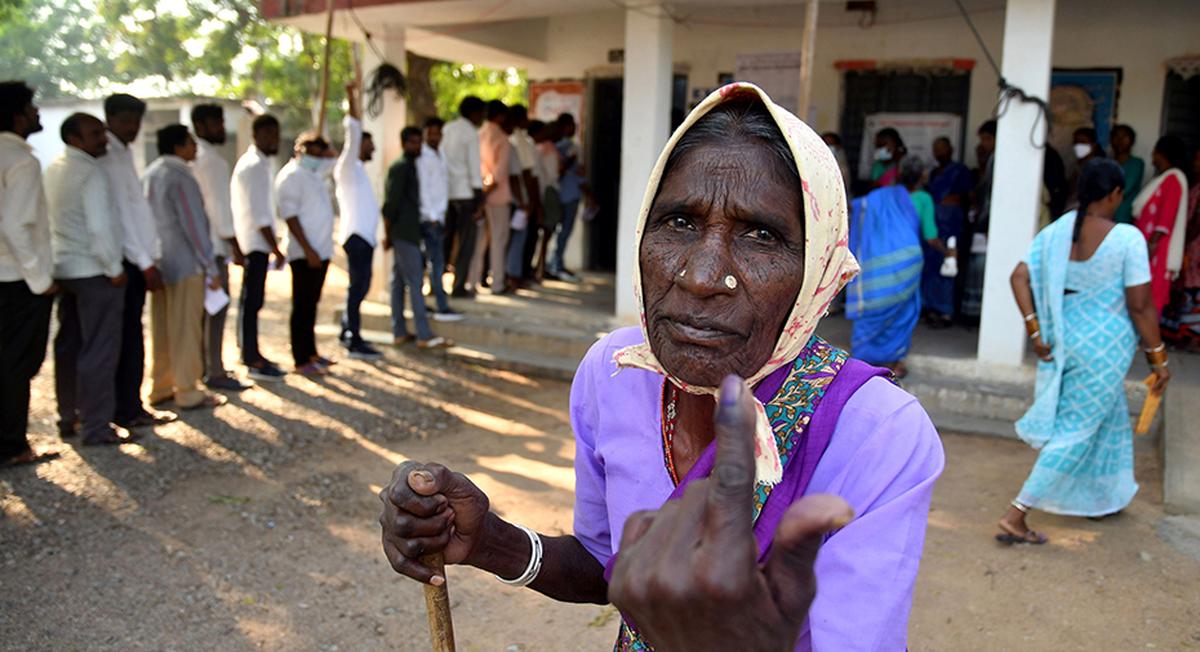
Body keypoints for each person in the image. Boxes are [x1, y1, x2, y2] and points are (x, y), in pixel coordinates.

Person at [378, 84, 943, 651]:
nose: (701, 275)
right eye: (679, 222)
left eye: (761, 235)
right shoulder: (615, 373)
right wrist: (491, 542)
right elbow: (609, 568)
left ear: (818, 267)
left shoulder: (877, 435)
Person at [998, 159, 1170, 544]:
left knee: (1107, 420)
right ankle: (1017, 513)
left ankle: (1102, 498)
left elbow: (1018, 276)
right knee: (1075, 431)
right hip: (1104, 348)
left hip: (1066, 337)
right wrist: (1158, 358)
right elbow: (1141, 306)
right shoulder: (1127, 238)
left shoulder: (1057, 232)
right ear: (1115, 195)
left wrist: (1034, 329)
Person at [45, 113, 130, 445]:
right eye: (95, 134)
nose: (104, 139)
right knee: (99, 349)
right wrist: (114, 269)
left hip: (63, 269)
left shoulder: (53, 169)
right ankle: (96, 426)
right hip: (94, 272)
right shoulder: (91, 172)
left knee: (69, 345)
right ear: (74, 139)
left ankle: (69, 416)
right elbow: (99, 228)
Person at [102, 93, 176, 430]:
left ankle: (127, 406)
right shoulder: (108, 157)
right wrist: (146, 262)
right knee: (127, 338)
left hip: (135, 258)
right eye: (127, 120)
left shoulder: (123, 154)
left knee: (130, 334)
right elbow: (123, 219)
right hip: (128, 260)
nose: (133, 127)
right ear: (111, 118)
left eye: (137, 121)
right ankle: (127, 409)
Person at [143, 124, 226, 410]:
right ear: (178, 146)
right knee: (187, 329)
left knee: (164, 327)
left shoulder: (152, 173)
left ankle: (162, 386)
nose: (195, 148)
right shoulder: (181, 177)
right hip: (186, 262)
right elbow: (194, 226)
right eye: (191, 143)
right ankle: (188, 390)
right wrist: (210, 265)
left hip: (159, 261)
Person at [0, 82, 58, 466]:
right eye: (32, 108)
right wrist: (40, 280)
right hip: (16, 279)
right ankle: (12, 445)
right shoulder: (20, 159)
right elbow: (17, 226)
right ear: (18, 115)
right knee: (17, 364)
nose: (38, 113)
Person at [190, 103, 252, 392]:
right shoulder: (211, 160)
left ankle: (207, 367)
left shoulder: (196, 158)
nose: (221, 129)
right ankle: (213, 370)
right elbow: (218, 210)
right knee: (216, 310)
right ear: (201, 126)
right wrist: (234, 244)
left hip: (201, 247)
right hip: (213, 248)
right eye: (217, 123)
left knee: (206, 312)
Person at [846, 157, 925, 378]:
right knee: (902, 313)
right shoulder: (922, 199)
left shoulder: (876, 199)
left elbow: (854, 209)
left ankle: (860, 362)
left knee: (872, 311)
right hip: (909, 264)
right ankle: (894, 363)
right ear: (922, 177)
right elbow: (930, 234)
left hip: (877, 268)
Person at [276, 132, 337, 377]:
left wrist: (325, 147)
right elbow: (290, 216)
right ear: (300, 150)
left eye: (319, 153)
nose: (318, 157)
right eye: (312, 152)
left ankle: (311, 351)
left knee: (312, 304)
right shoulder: (290, 176)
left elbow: (333, 158)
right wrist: (308, 249)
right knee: (301, 305)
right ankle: (301, 359)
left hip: (321, 250)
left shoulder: (314, 174)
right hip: (304, 253)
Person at [383, 126, 448, 350]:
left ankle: (399, 331)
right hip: (403, 232)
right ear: (404, 144)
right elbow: (390, 205)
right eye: (412, 142)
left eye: (419, 142)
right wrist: (388, 233)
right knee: (415, 281)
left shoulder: (413, 166)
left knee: (399, 282)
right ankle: (423, 333)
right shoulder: (400, 168)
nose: (417, 146)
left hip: (410, 231)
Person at [232, 114, 286, 381]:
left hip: (256, 243)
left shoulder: (260, 164)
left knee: (250, 302)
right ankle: (252, 358)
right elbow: (259, 214)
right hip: (255, 243)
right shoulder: (253, 166)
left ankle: (248, 351)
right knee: (252, 302)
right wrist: (275, 248)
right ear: (257, 136)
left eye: (276, 134)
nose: (274, 140)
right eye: (269, 135)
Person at [334, 81, 385, 361]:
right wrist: (352, 97)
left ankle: (347, 329)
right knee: (358, 289)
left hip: (366, 237)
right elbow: (353, 130)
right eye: (370, 142)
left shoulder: (360, 171)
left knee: (360, 287)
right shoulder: (347, 167)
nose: (373, 147)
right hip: (356, 238)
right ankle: (355, 338)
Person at [1134, 134, 1192, 314]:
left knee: (1151, 297)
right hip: (1149, 248)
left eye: (1155, 151)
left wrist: (1151, 246)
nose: (1152, 155)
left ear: (1161, 153)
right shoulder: (1165, 178)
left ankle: (1147, 340)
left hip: (1157, 251)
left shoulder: (1174, 179)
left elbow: (1165, 220)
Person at [415, 116, 462, 322]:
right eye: (431, 133)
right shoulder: (422, 157)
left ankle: (437, 303)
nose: (434, 137)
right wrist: (432, 216)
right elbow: (423, 189)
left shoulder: (440, 154)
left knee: (436, 262)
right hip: (429, 218)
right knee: (431, 262)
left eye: (437, 133)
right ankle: (439, 306)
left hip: (439, 216)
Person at [924, 137, 972, 327]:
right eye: (936, 149)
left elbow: (965, 197)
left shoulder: (960, 171)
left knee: (949, 268)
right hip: (934, 227)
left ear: (951, 149)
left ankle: (946, 312)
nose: (939, 153)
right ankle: (931, 308)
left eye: (942, 148)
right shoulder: (934, 173)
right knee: (932, 269)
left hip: (952, 225)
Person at [468, 100, 512, 294]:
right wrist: (487, 193)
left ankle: (472, 281)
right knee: (499, 239)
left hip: (478, 193)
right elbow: (499, 174)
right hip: (496, 196)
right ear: (501, 116)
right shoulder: (501, 139)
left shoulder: (477, 135)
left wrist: (481, 195)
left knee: (479, 241)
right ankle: (498, 284)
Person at [444, 96, 486, 298]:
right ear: (473, 113)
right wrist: (480, 197)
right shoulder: (470, 133)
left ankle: (437, 284)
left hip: (446, 193)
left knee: (446, 240)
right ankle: (459, 285)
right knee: (465, 243)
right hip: (466, 195)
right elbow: (473, 167)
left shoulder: (447, 129)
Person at [1161, 148, 1200, 351]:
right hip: (1191, 246)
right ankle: (1185, 335)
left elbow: (1196, 222)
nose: (1194, 163)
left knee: (1194, 292)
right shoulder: (1195, 187)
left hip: (1195, 247)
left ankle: (1193, 337)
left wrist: (1185, 242)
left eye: (1198, 159)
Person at [962, 120, 997, 324]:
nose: (984, 144)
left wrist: (985, 223)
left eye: (987, 139)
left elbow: (992, 197)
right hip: (983, 222)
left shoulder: (997, 158)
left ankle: (975, 316)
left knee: (979, 269)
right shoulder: (991, 159)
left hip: (986, 225)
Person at [507, 104, 542, 287]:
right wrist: (532, 202)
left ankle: (515, 274)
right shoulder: (521, 141)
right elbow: (527, 175)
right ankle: (515, 275)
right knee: (521, 238)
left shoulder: (513, 139)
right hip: (521, 198)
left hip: (514, 197)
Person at [549, 112, 584, 281]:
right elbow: (574, 173)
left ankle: (555, 263)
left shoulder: (553, 146)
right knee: (563, 231)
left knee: (558, 232)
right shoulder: (568, 147)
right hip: (568, 194)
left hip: (559, 193)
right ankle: (556, 264)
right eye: (572, 125)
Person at [531, 120, 563, 281]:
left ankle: (539, 266)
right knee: (547, 232)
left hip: (544, 191)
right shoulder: (549, 149)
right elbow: (553, 175)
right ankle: (540, 267)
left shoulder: (539, 148)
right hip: (550, 191)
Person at [1110, 124, 1145, 225]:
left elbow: (1125, 189)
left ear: (1132, 141)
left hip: (1124, 216)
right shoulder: (1106, 163)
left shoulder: (1136, 164)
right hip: (1104, 217)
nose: (1120, 140)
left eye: (1124, 137)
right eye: (1116, 136)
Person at [821, 131, 852, 198]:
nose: (827, 147)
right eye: (825, 143)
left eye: (830, 144)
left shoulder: (841, 166)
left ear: (838, 146)